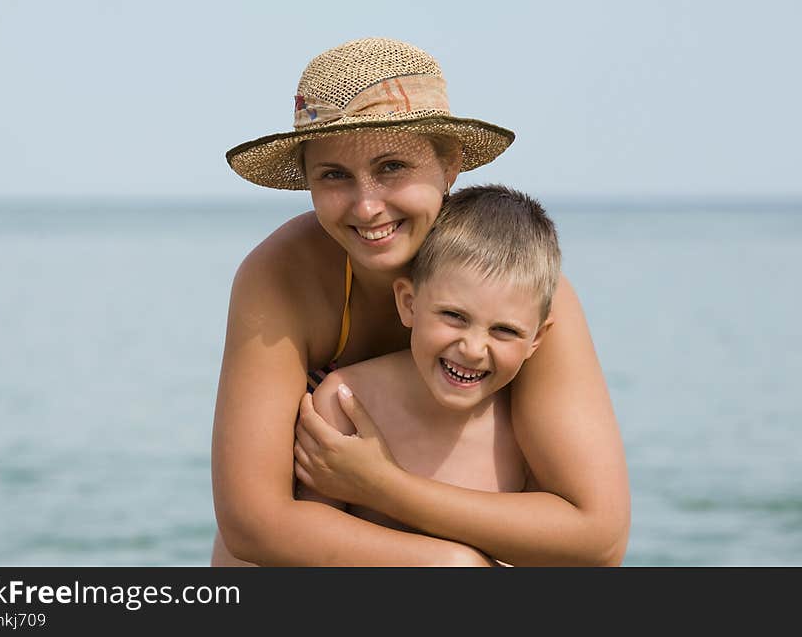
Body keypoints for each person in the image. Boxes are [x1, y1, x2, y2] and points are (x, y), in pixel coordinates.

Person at [211, 37, 630, 566]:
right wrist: (447, 565)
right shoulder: (283, 277)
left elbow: (600, 539)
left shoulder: (514, 285)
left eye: (392, 168)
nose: (367, 206)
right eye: (334, 175)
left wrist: (387, 488)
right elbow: (252, 524)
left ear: (450, 164)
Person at [293, 184, 561, 567]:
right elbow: (305, 547)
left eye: (504, 331)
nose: (472, 348)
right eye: (454, 316)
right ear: (409, 303)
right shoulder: (347, 401)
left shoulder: (524, 423)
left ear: (537, 339)